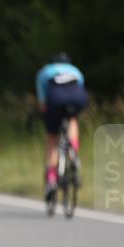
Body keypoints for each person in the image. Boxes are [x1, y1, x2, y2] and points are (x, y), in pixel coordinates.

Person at [35, 52, 87, 200]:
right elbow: (79, 89)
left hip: (56, 99)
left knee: (52, 138)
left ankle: (51, 179)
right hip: (77, 99)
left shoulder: (45, 71)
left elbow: (43, 102)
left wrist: (44, 112)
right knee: (72, 119)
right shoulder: (76, 71)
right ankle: (73, 152)